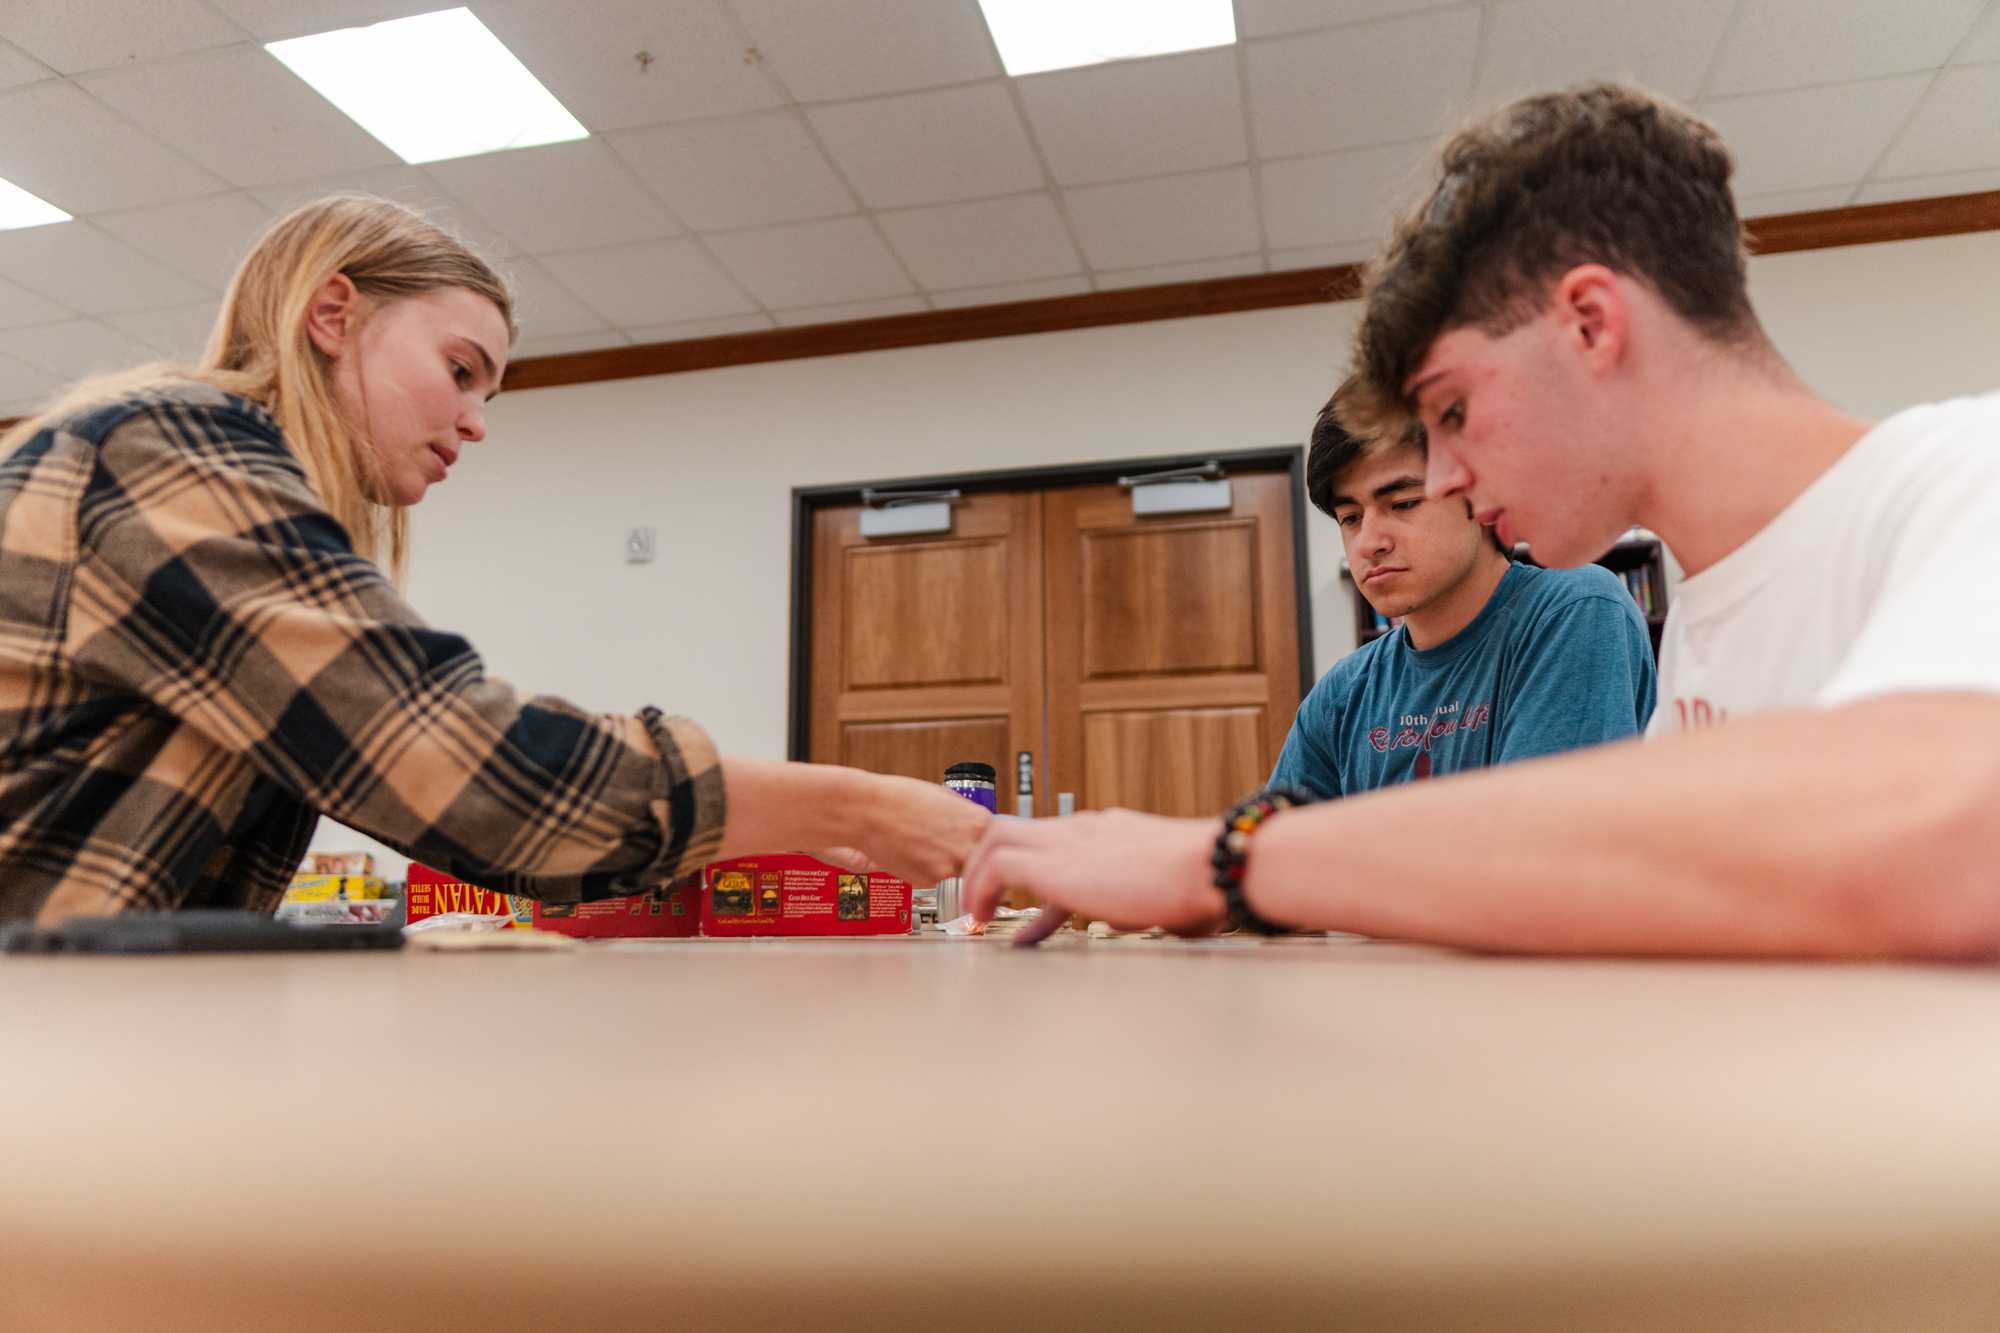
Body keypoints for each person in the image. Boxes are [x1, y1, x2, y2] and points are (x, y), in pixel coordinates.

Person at [967, 82, 2000, 960]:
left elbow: (1937, 834)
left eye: (1453, 411)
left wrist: (1223, 861)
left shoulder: (1966, 478)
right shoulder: (1704, 619)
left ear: (1589, 324)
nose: (1451, 472)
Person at [0, 195, 985, 925]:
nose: (473, 423)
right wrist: (848, 803)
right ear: (332, 315)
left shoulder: (194, 468)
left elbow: (431, 789)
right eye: (460, 370)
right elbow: (456, 764)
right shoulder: (167, 450)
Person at [1271, 381, 1653, 798]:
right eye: (1350, 517)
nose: (1368, 542)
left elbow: (1540, 842)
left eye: (1403, 504)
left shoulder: (1574, 611)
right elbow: (1265, 850)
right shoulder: (1342, 694)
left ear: (1484, 497)